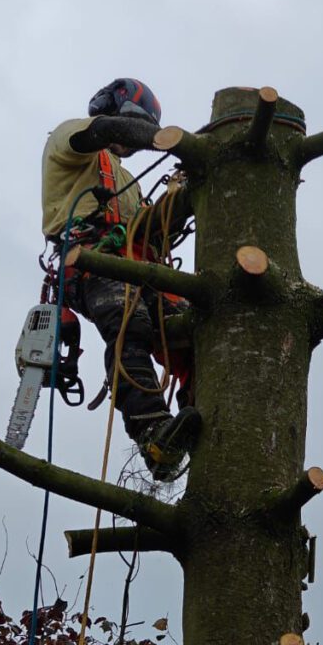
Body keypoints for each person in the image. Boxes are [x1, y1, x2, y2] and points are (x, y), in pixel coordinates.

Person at [41, 78, 199, 481]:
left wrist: (188, 187)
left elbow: (153, 230)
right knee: (130, 318)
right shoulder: (72, 139)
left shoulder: (128, 183)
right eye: (133, 125)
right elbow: (109, 131)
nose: (132, 142)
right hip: (90, 260)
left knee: (192, 331)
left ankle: (200, 423)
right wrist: (166, 140)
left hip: (138, 267)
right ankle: (152, 432)